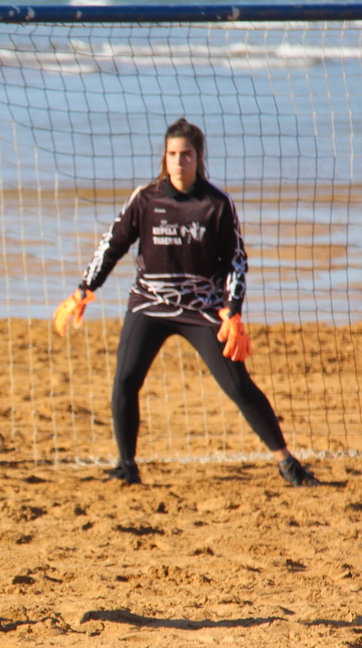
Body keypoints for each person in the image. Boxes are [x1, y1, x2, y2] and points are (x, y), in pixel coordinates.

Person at [52, 117, 319, 488]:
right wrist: (84, 288)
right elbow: (112, 244)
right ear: (165, 157)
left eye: (187, 154)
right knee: (125, 381)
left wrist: (233, 310)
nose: (179, 161)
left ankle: (287, 464)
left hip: (202, 309)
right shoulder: (145, 199)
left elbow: (236, 262)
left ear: (198, 157)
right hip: (148, 305)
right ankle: (127, 466)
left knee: (238, 385)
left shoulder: (217, 204)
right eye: (173, 154)